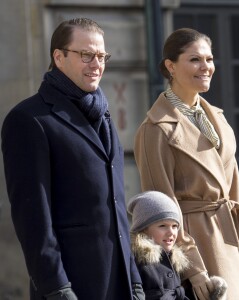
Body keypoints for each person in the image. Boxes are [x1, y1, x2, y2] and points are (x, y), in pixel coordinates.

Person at [1, 18, 144, 300]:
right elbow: (33, 221)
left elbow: (115, 209)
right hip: (73, 286)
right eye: (86, 55)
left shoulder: (102, 113)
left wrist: (135, 280)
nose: (97, 64)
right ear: (59, 56)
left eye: (102, 56)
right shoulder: (28, 119)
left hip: (121, 284)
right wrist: (57, 288)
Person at [133, 28, 239, 300]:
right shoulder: (155, 129)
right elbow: (160, 210)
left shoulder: (217, 119)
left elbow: (234, 191)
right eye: (195, 60)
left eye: (209, 59)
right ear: (170, 66)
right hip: (196, 247)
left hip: (230, 244)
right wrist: (193, 269)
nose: (206, 67)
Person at [127, 191, 227, 300]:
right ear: (143, 229)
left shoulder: (174, 261)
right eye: (162, 225)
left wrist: (211, 291)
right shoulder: (136, 260)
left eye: (174, 226)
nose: (171, 232)